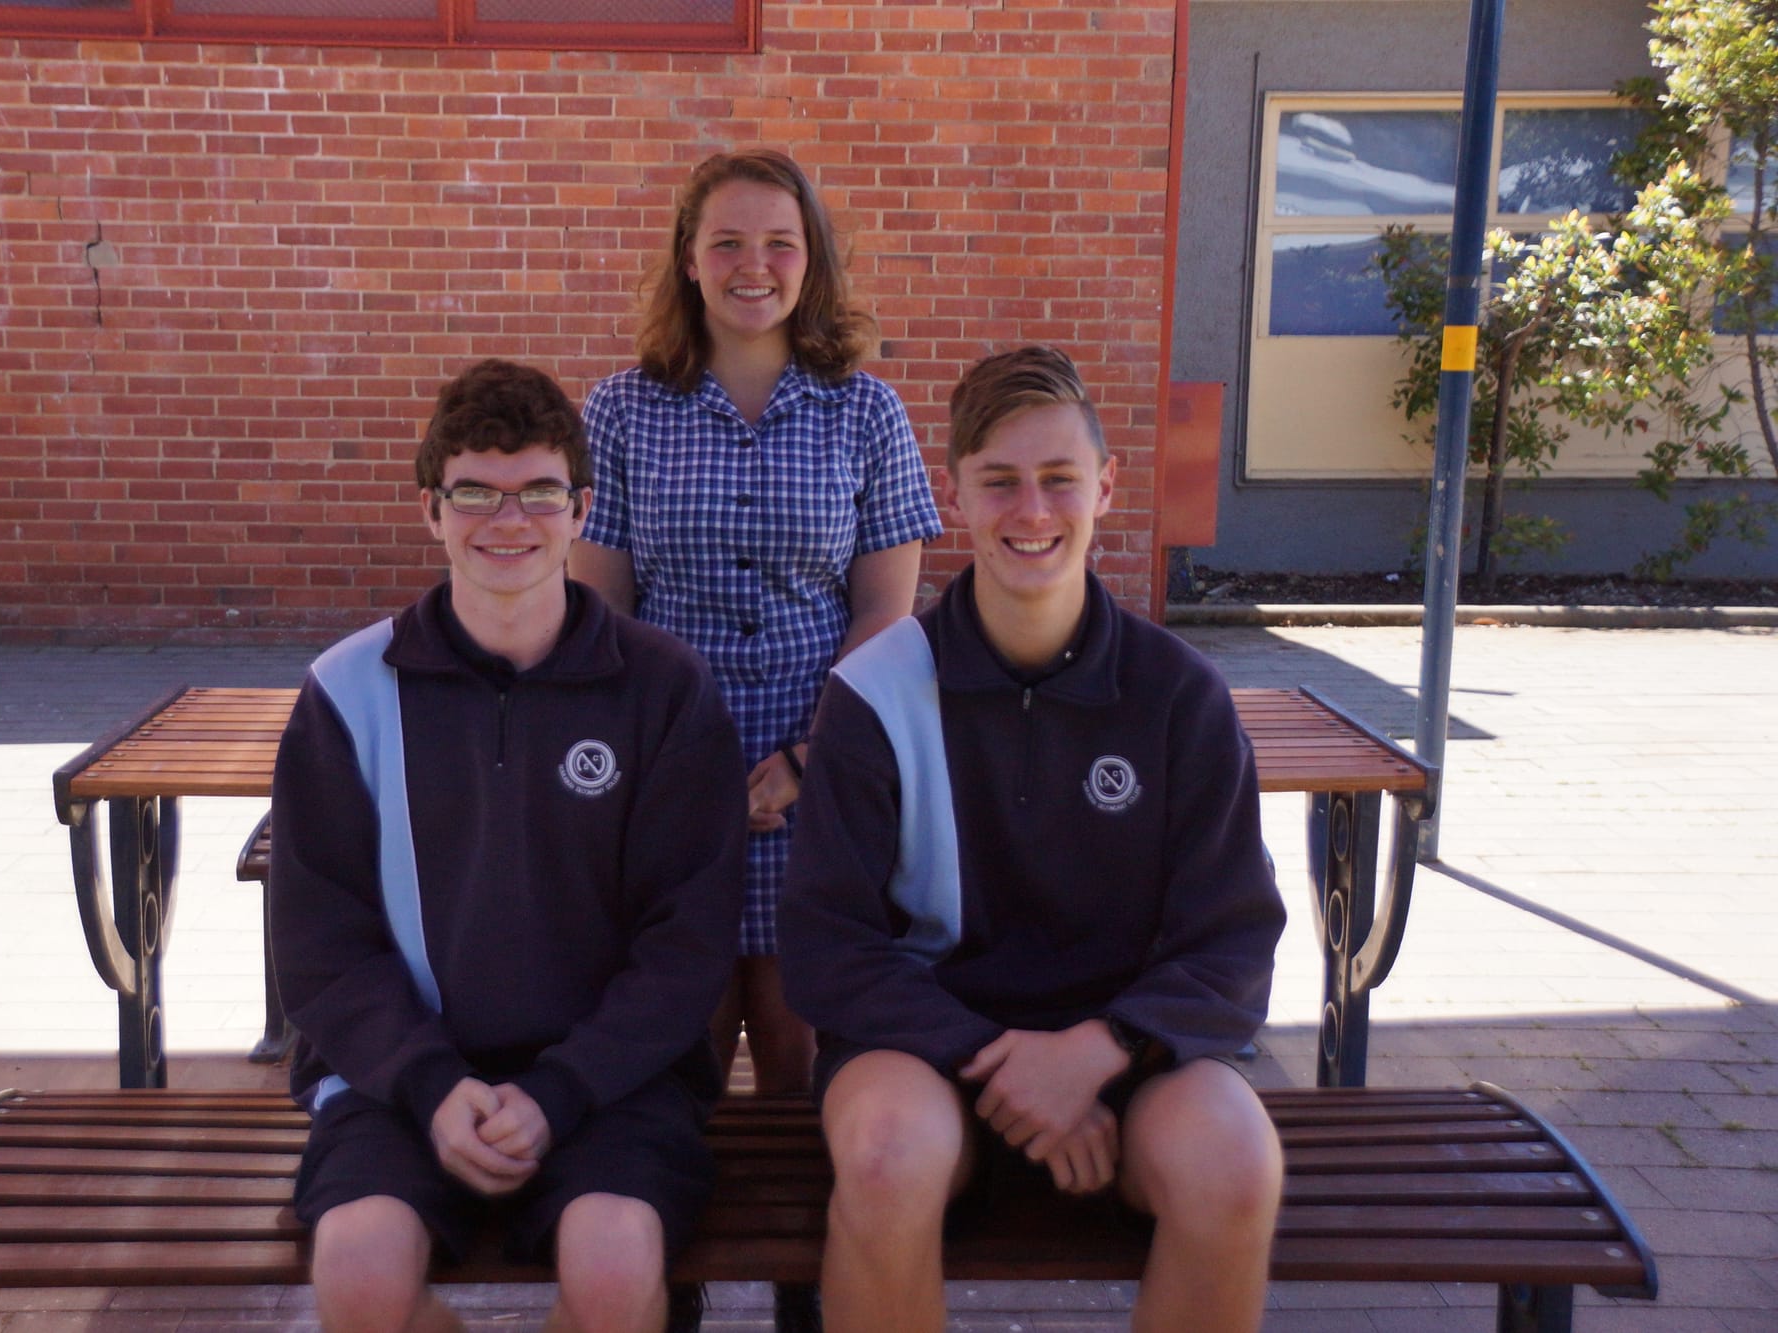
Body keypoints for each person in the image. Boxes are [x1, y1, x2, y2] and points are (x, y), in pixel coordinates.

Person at [779, 346, 1288, 1333]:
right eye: (999, 481)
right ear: (950, 491)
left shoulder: (1177, 695)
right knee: (883, 1161)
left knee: (1233, 1166)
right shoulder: (873, 692)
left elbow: (1231, 937)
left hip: (1126, 1056)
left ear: (1104, 485)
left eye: (1059, 480)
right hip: (922, 1053)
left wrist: (1101, 1047)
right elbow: (826, 942)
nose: (1032, 511)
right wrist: (1001, 1060)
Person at [268, 359, 746, 1333]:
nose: (507, 520)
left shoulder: (664, 689)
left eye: (537, 492)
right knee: (358, 1276)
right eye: (475, 492)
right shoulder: (347, 692)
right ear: (430, 509)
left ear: (580, 509)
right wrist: (434, 1086)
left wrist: (562, 1088)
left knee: (612, 1277)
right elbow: (320, 942)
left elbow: (686, 940)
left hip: (611, 1080)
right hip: (405, 1077)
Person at [570, 148, 942, 1108]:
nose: (754, 264)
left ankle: (802, 1266)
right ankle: (675, 1262)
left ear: (810, 260)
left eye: (781, 243)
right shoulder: (620, 410)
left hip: (817, 793)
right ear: (688, 260)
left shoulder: (867, 413)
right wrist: (680, 776)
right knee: (671, 1068)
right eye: (727, 241)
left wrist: (811, 758)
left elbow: (884, 615)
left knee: (799, 1069)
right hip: (665, 791)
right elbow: (602, 615)